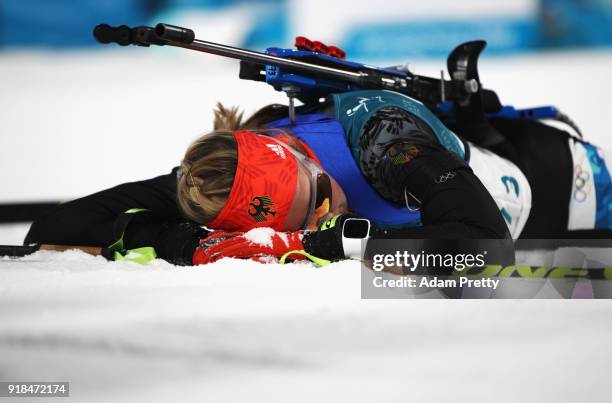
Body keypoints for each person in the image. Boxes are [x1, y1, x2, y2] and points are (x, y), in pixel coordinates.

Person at [24, 89, 612, 266]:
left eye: (318, 194)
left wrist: (350, 245)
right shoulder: (220, 183)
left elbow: (483, 250)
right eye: (299, 220)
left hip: (564, 187)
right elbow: (51, 228)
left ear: (303, 157)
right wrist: (189, 242)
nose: (323, 213)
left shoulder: (386, 143)